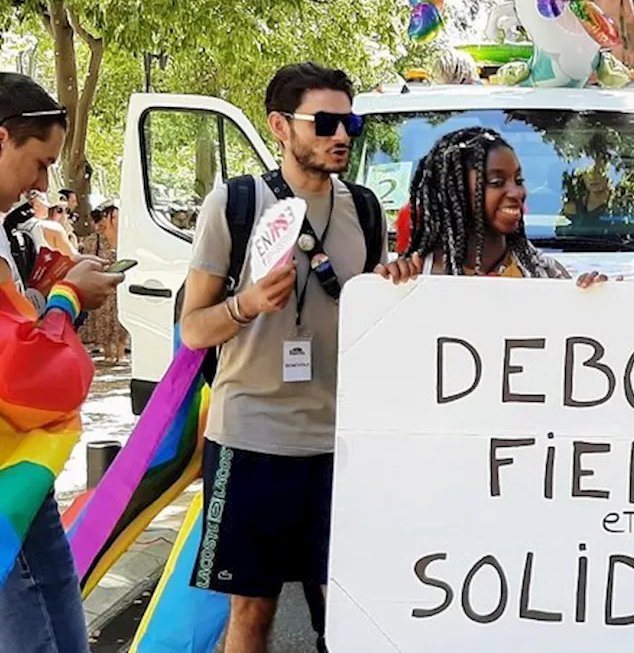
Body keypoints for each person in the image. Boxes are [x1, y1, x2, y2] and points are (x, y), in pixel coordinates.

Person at [179, 63, 422, 653]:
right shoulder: (235, 204)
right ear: (281, 126)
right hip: (250, 439)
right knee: (253, 614)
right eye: (327, 122)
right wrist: (247, 304)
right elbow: (193, 329)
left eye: (351, 123)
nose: (342, 136)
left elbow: (369, 321)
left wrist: (393, 285)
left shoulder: (365, 210)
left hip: (341, 444)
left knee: (346, 614)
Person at [0, 72, 124, 653]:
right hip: (9, 469)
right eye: (40, 162)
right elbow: (25, 371)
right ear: (2, 140)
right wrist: (67, 298)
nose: (41, 184)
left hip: (26, 467)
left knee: (61, 619)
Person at [403, 125, 609, 286]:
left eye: (518, 180)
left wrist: (598, 303)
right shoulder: (416, 276)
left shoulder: (545, 274)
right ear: (453, 194)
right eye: (496, 183)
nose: (518, 192)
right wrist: (389, 285)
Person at [80, 204, 129, 364]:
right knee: (105, 318)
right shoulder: (97, 238)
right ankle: (108, 352)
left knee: (119, 318)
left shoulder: (126, 236)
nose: (116, 221)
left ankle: (120, 352)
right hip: (105, 281)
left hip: (122, 281)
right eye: (113, 217)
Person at [19, 191, 75, 257]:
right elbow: (74, 258)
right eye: (59, 210)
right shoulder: (54, 228)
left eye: (67, 210)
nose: (64, 215)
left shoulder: (70, 234)